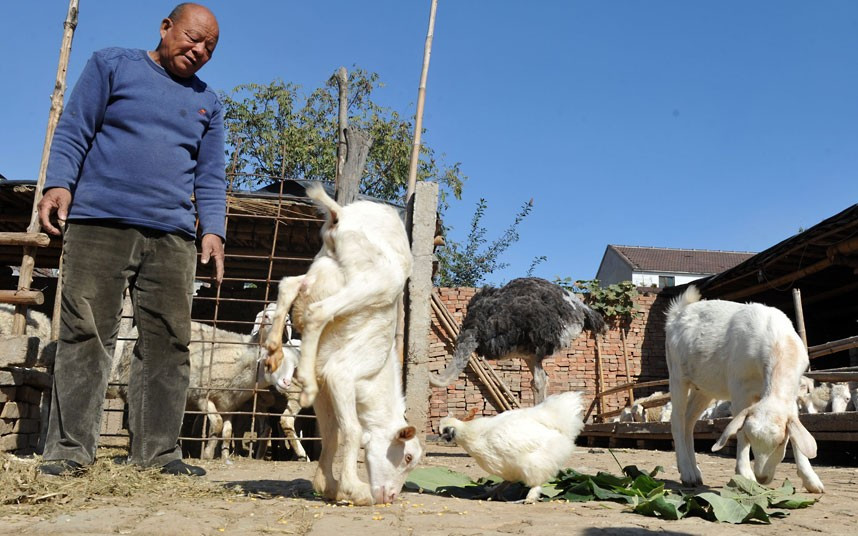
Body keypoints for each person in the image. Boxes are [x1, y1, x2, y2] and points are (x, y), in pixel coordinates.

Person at [37, 3, 226, 477]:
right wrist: (58, 182)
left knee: (169, 343)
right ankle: (70, 451)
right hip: (100, 221)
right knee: (86, 334)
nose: (198, 50)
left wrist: (214, 230)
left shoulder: (209, 102)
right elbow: (75, 128)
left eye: (209, 46)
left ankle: (157, 455)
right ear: (166, 28)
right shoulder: (111, 64)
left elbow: (210, 175)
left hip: (173, 237)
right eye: (191, 37)